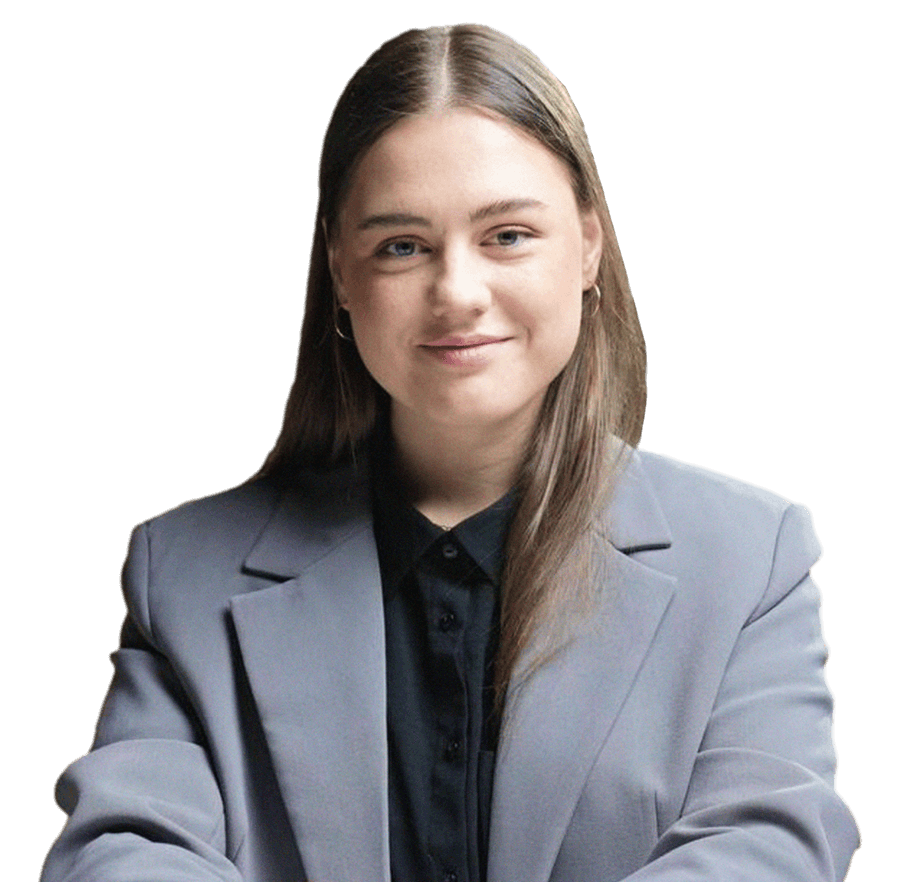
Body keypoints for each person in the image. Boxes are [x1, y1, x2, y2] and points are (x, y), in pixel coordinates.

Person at [42, 22, 861, 882]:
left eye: (507, 235)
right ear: (341, 273)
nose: (458, 293)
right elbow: (126, 852)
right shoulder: (183, 570)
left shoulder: (751, 556)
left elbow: (769, 844)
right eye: (401, 246)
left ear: (588, 245)